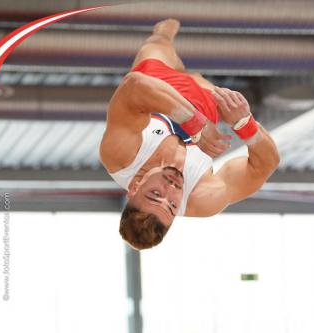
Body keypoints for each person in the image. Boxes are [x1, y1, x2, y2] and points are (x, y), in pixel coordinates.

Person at [99, 18, 279, 250]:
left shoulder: (119, 158)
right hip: (205, 107)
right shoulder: (203, 199)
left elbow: (134, 87)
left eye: (155, 193)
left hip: (157, 87)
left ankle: (162, 33)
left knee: (159, 43)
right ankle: (189, 74)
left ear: (133, 189)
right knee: (195, 78)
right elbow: (265, 165)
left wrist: (195, 123)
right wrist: (245, 124)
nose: (171, 189)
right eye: (173, 205)